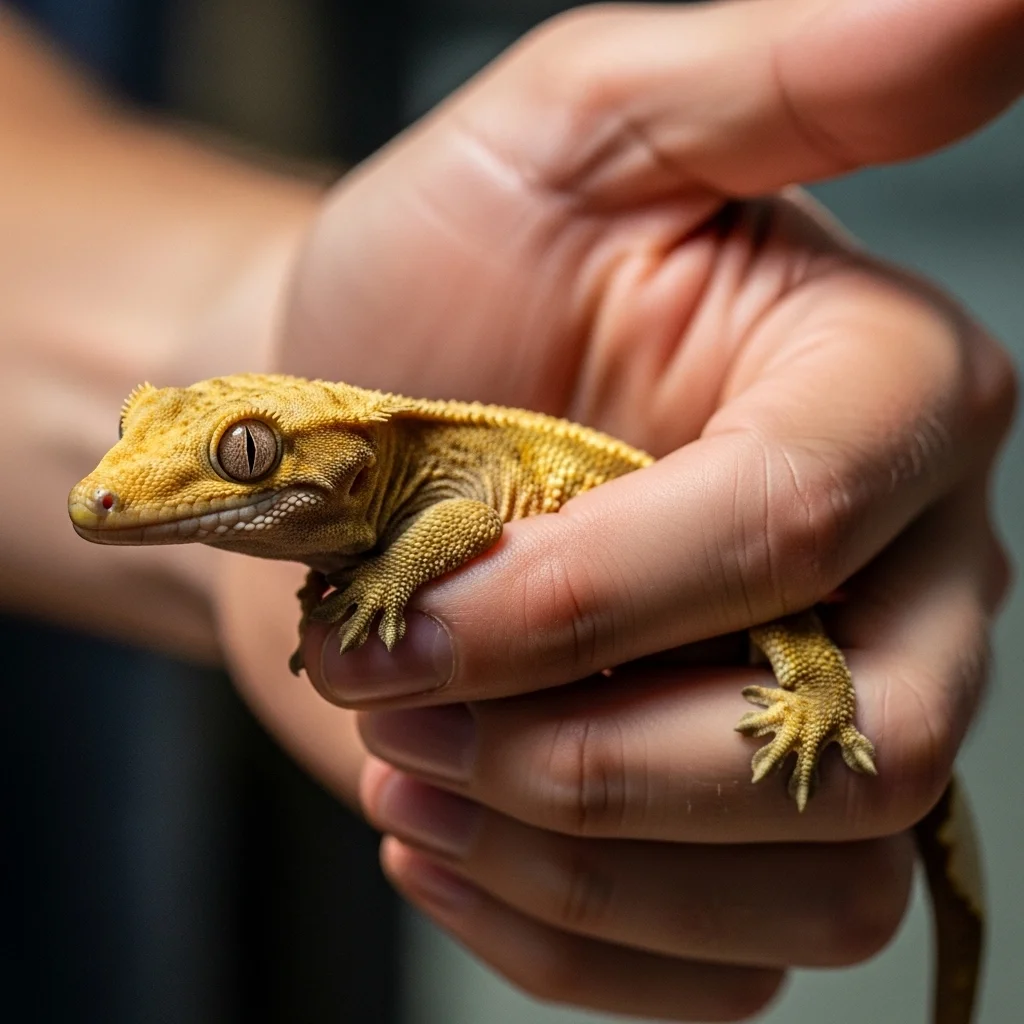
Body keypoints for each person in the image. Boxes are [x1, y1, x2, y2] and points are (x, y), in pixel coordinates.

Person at [1, 1, 1019, 1019]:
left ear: (352, 465)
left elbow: (463, 526)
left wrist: (388, 579)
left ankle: (820, 688)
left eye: (245, 456)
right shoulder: (353, 504)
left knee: (769, 602)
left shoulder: (431, 481)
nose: (114, 484)